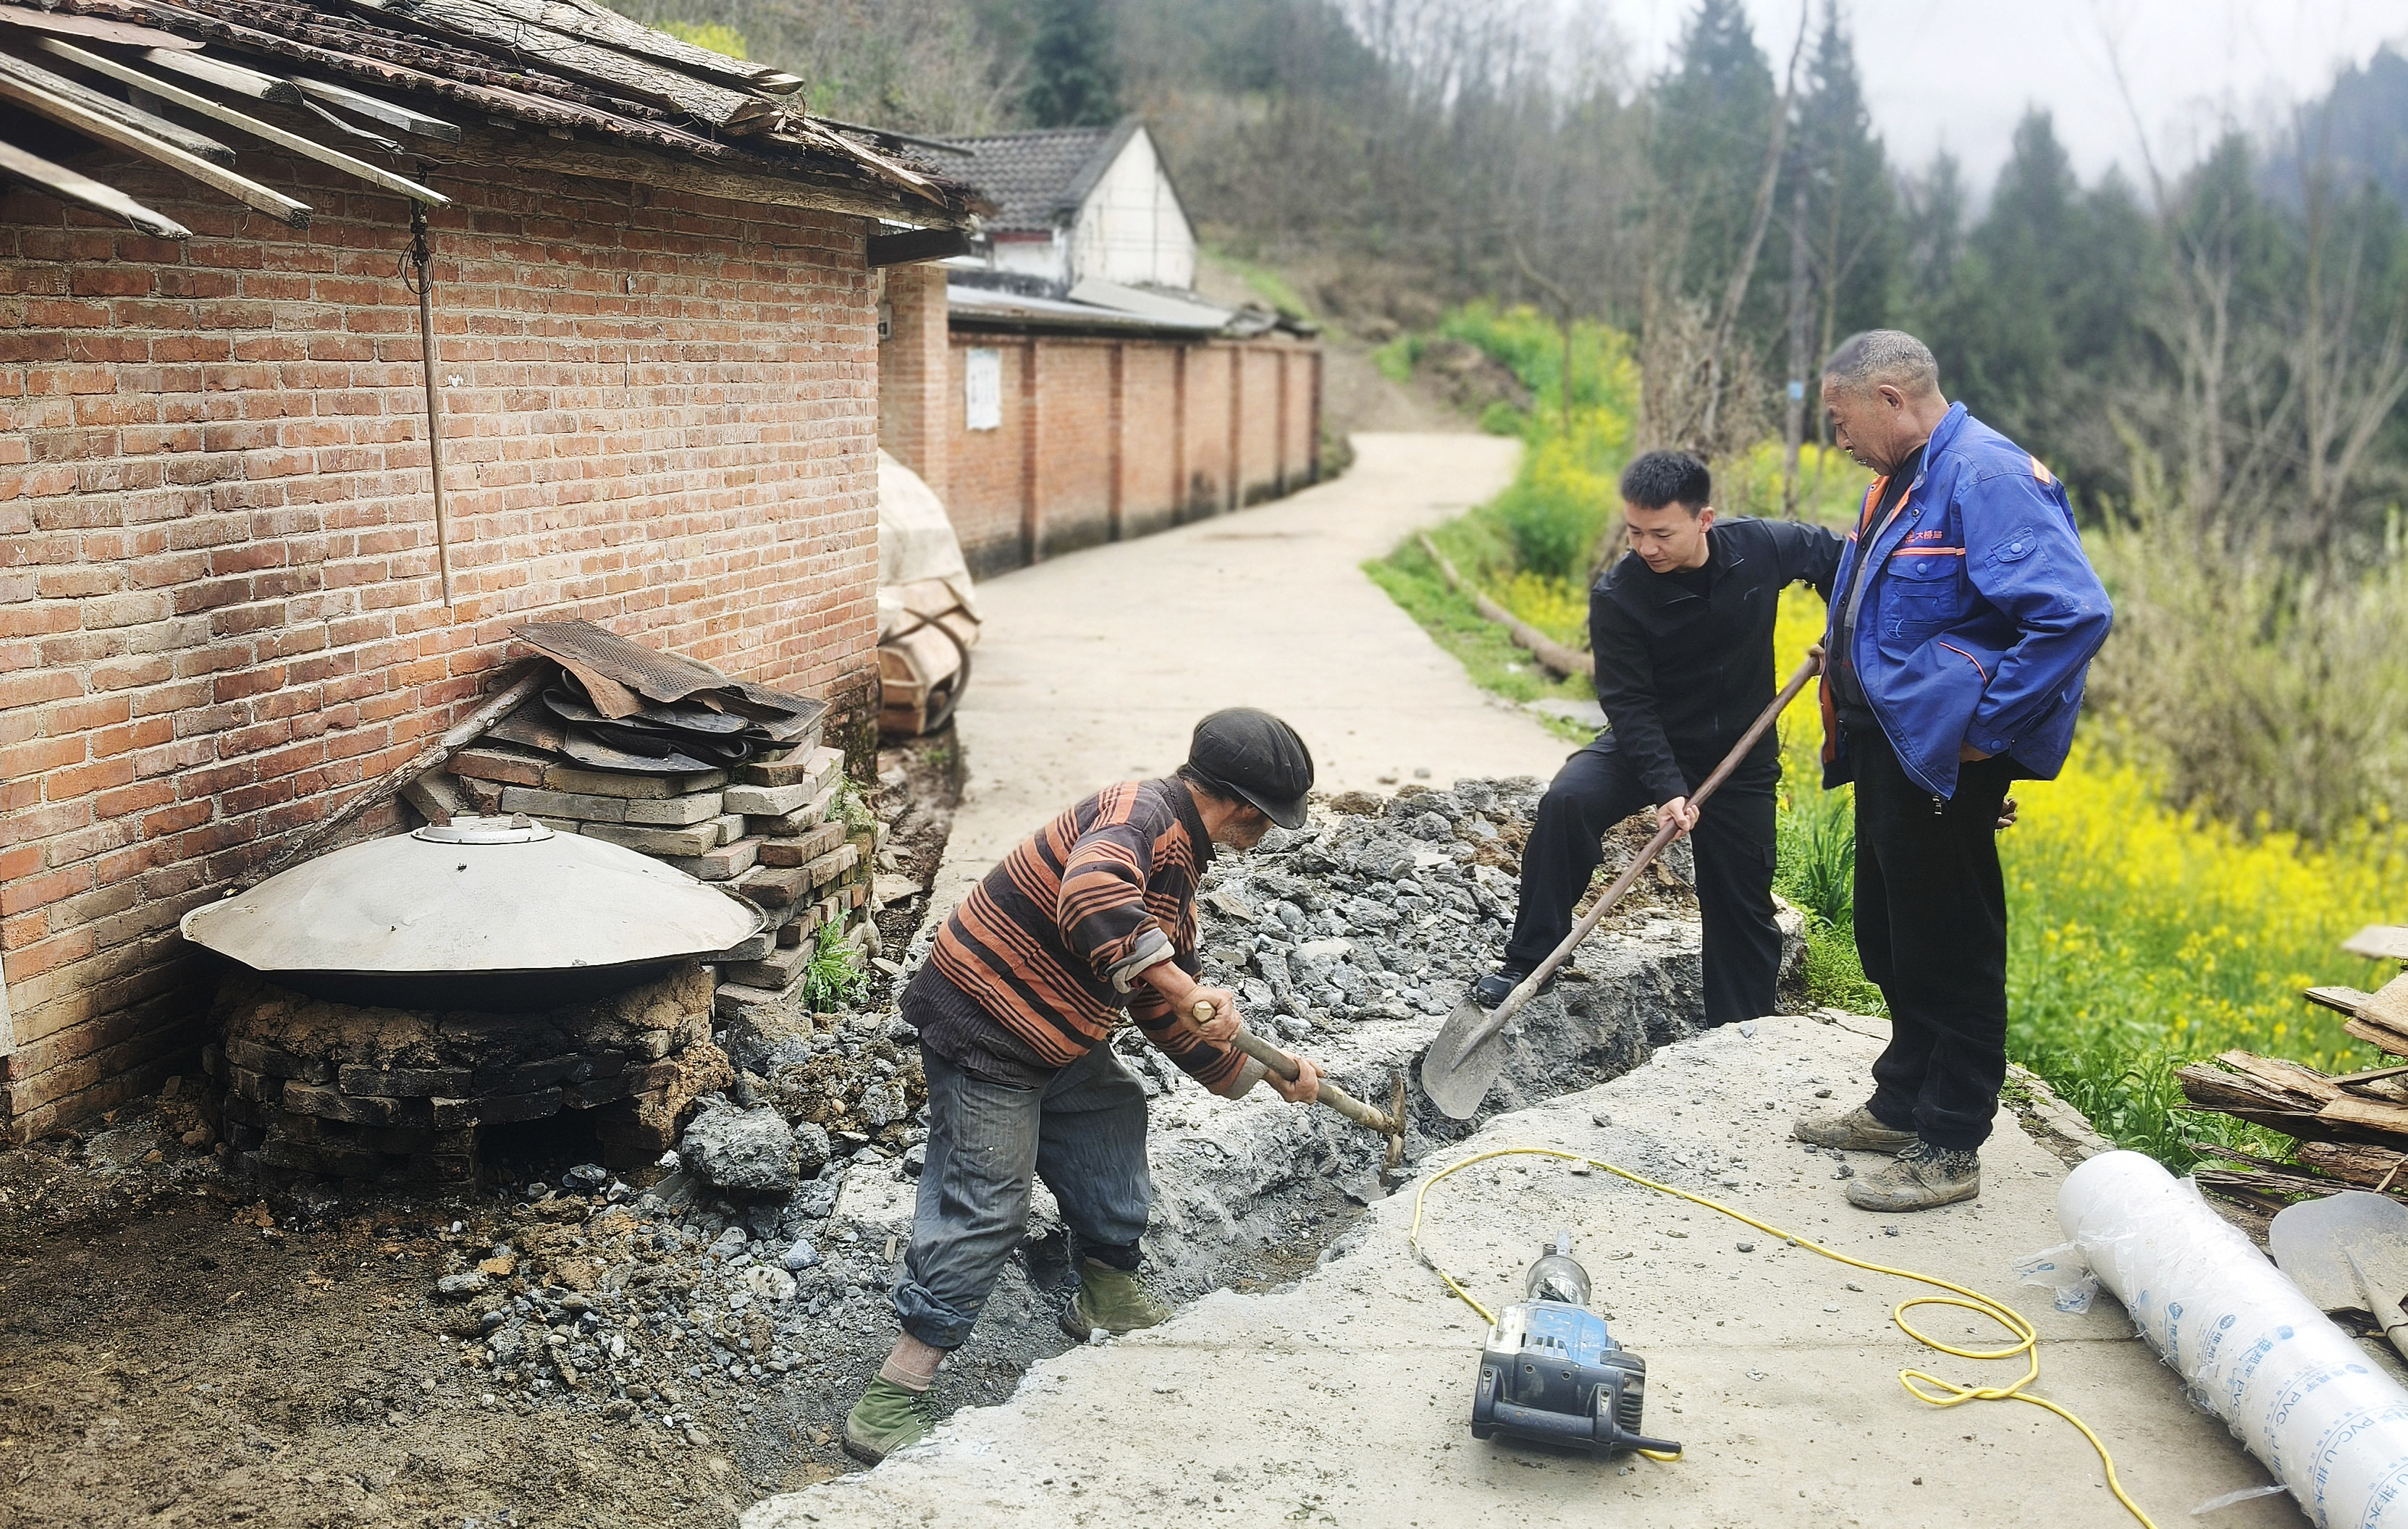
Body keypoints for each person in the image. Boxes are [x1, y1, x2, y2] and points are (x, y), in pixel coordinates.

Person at [843, 709, 1329, 1463]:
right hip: (985, 1024)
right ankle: (892, 1397)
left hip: (1054, 1033)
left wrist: (1268, 1076)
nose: (1264, 834)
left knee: (1110, 1115)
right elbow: (1092, 894)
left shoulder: (1179, 863)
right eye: (1267, 820)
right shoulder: (1136, 814)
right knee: (986, 1203)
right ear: (1241, 807)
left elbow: (1163, 1006)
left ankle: (1105, 1291)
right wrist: (1173, 979)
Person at [1793, 329, 2112, 1213]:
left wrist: (1988, 731)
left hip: (1939, 753)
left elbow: (2071, 614)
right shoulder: (1900, 475)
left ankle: (1949, 1140)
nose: (1837, 435)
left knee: (1950, 944)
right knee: (1890, 934)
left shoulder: (1987, 475)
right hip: (1889, 746)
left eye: (1840, 416)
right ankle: (1900, 1102)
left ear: (1890, 399)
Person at [1475, 451, 1844, 1029]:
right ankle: (1530, 964)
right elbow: (1628, 705)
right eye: (1635, 532)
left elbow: (1844, 561)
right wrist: (1667, 787)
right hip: (1647, 742)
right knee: (1567, 802)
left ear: (1705, 520)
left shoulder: (1762, 546)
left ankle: (1740, 1029)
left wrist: (1839, 632)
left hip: (1739, 753)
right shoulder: (1619, 595)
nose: (1647, 548)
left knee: (1740, 898)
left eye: (1662, 534)